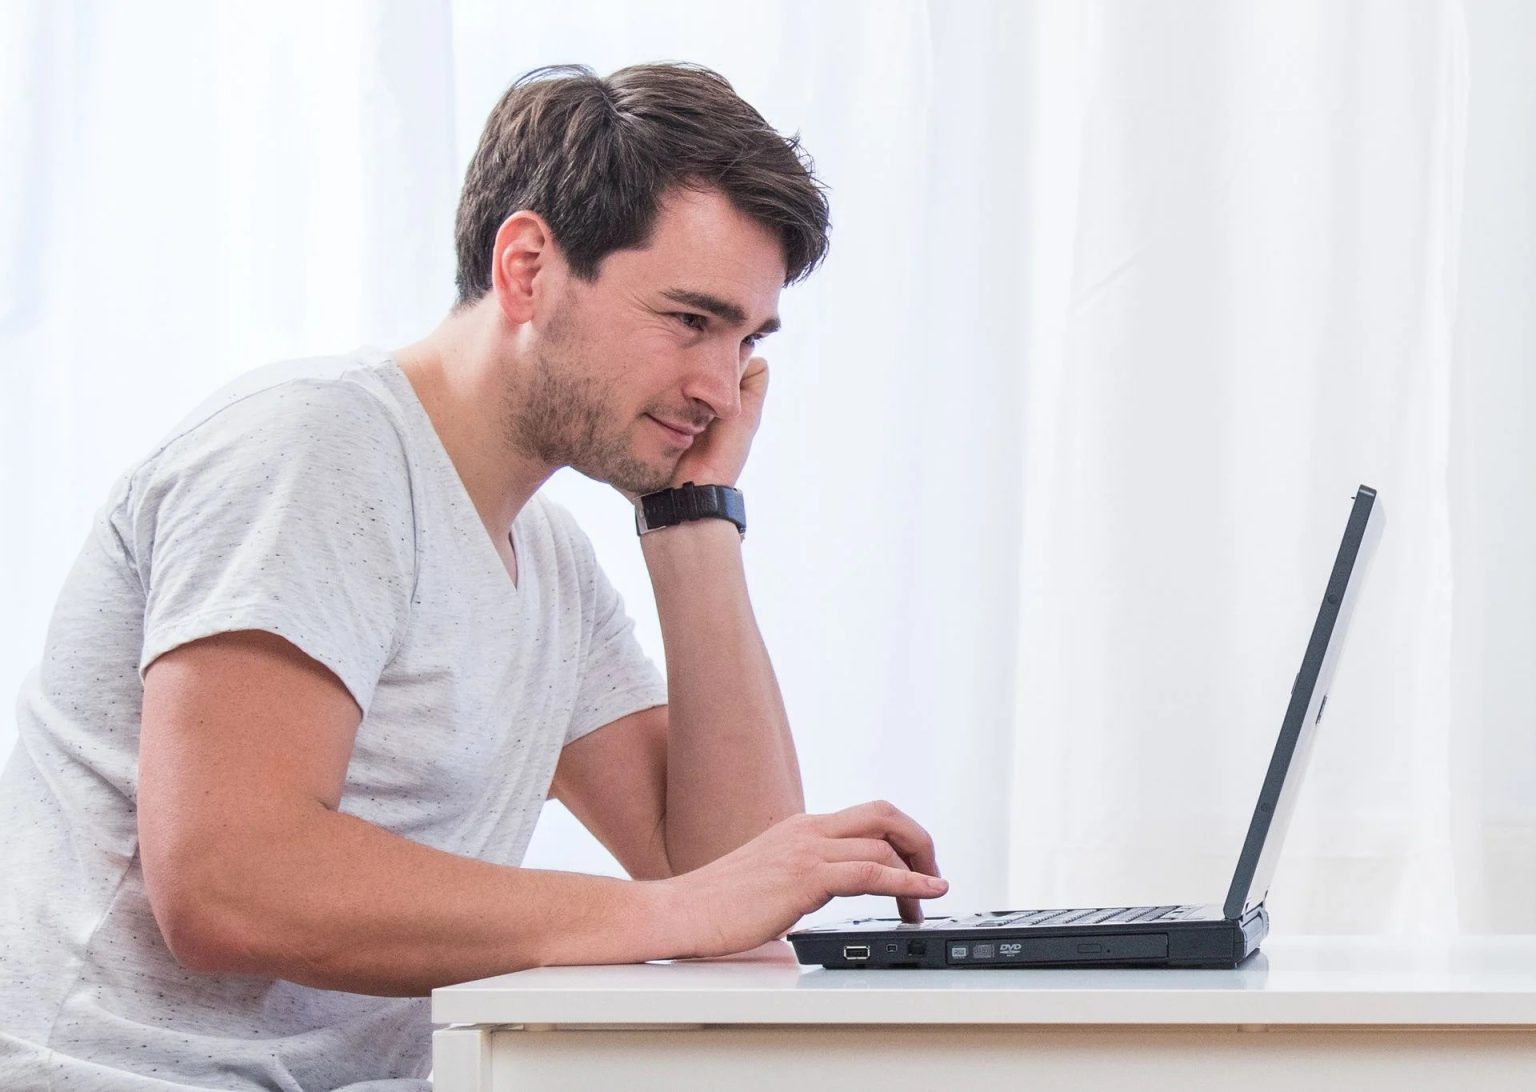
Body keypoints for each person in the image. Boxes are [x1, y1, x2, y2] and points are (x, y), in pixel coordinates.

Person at [0, 62, 946, 1089]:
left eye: (746, 340)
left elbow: (733, 897)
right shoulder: (314, 451)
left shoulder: (548, 564)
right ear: (528, 267)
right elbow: (230, 884)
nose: (721, 389)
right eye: (690, 320)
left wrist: (694, 516)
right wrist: (671, 913)